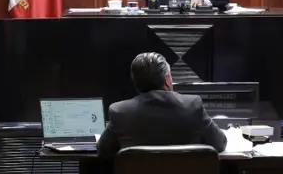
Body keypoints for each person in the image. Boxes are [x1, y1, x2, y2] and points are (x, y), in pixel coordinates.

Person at [96, 52, 228, 160]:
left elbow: (103, 151)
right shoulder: (192, 105)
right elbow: (220, 144)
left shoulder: (120, 112)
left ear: (135, 82)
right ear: (167, 79)